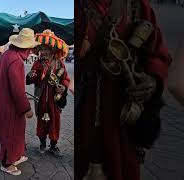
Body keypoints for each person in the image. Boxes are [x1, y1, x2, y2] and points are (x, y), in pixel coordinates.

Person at [76, 0, 172, 179]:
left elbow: (158, 54)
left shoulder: (137, 5)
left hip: (123, 113)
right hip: (85, 114)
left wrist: (152, 80)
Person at [0, 28, 40, 176]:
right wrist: (26, 108)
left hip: (5, 101)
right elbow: (17, 90)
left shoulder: (7, 54)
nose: (31, 51)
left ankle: (17, 155)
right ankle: (6, 163)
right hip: (11, 105)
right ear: (26, 48)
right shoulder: (16, 61)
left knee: (17, 132)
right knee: (11, 133)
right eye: (31, 48)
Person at [26, 30, 70, 157]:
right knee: (41, 120)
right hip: (40, 97)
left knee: (55, 121)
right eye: (42, 49)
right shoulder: (37, 63)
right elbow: (31, 78)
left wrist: (63, 87)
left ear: (52, 49)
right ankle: (42, 142)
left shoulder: (59, 63)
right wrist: (30, 76)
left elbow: (66, 79)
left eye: (47, 49)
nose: (44, 52)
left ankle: (53, 145)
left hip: (54, 98)